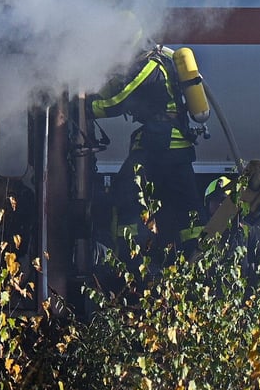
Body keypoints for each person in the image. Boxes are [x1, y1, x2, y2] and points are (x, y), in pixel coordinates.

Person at [88, 43, 205, 258]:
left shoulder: (147, 66)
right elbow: (112, 85)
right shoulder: (155, 63)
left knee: (126, 190)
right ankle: (195, 254)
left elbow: (117, 101)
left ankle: (127, 255)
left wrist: (85, 108)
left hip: (161, 143)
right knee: (186, 204)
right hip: (174, 146)